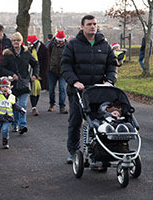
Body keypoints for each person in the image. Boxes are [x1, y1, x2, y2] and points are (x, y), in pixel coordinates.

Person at [61, 15, 117, 164]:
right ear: (82, 27)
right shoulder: (72, 45)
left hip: (98, 92)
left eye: (95, 24)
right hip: (78, 91)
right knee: (75, 121)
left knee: (98, 122)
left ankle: (97, 151)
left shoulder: (104, 45)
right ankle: (73, 151)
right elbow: (65, 66)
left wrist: (110, 80)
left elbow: (112, 65)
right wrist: (74, 81)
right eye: (89, 24)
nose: (93, 26)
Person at [0, 32, 39, 134]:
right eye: (14, 40)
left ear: (21, 41)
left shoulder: (26, 52)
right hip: (12, 84)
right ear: (11, 42)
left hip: (24, 82)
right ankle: (15, 124)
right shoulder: (7, 53)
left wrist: (35, 74)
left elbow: (35, 64)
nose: (16, 42)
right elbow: (2, 68)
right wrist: (11, 74)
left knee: (23, 104)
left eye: (18, 40)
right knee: (15, 105)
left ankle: (23, 125)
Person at [0, 76, 26, 149]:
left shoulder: (12, 96)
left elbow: (14, 105)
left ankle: (5, 142)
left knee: (5, 129)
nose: (5, 88)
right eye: (2, 87)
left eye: (7, 87)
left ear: (10, 87)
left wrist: (21, 109)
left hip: (7, 116)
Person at [27, 35, 49, 116]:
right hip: (29, 73)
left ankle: (34, 106)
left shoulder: (43, 49)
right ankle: (34, 107)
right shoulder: (28, 50)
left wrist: (40, 75)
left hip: (40, 74)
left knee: (37, 89)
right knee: (32, 90)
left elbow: (46, 63)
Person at [47, 30, 68, 114]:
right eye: (59, 40)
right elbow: (47, 56)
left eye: (62, 40)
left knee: (62, 89)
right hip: (52, 71)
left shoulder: (68, 46)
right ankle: (52, 104)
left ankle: (62, 107)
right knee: (51, 89)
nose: (60, 41)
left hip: (63, 71)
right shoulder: (51, 45)